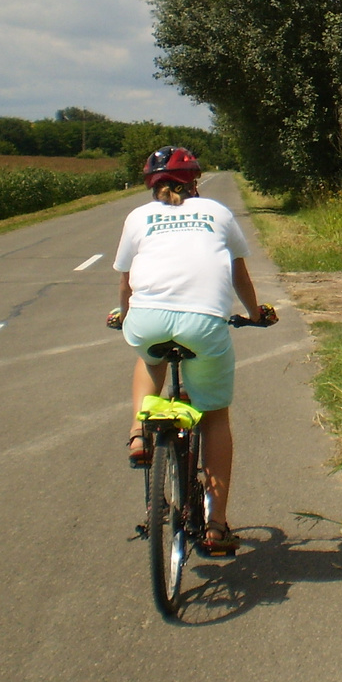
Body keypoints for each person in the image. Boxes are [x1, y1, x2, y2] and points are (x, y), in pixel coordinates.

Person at [107, 145, 275, 557]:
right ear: (194, 181)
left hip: (147, 319)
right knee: (214, 417)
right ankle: (216, 528)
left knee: (149, 355)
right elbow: (239, 275)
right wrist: (256, 315)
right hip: (204, 324)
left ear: (150, 185)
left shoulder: (137, 218)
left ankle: (137, 434)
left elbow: (127, 285)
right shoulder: (217, 213)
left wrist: (125, 316)